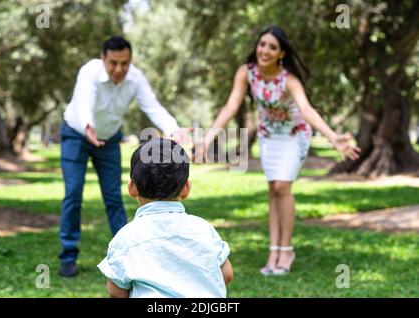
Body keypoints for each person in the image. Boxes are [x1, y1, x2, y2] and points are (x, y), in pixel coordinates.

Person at [195, 26, 359, 276]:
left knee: (282, 187)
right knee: (273, 189)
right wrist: (208, 138)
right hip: (269, 137)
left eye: (272, 47)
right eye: (262, 45)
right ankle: (274, 252)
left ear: (281, 53)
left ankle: (286, 249)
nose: (265, 50)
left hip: (294, 137)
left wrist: (333, 137)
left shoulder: (288, 79)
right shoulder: (246, 73)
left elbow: (307, 109)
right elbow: (231, 105)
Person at [59, 36, 191, 277]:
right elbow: (84, 102)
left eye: (125, 63)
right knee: (73, 193)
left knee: (114, 196)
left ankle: (128, 254)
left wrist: (174, 129)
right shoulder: (89, 71)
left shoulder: (135, 77)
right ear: (103, 59)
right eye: (113, 63)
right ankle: (68, 255)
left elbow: (152, 105)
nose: (119, 69)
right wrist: (89, 124)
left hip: (108, 139)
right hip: (77, 134)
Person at [97, 138, 233, 297]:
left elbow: (116, 291)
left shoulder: (125, 237)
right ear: (186, 189)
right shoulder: (203, 229)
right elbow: (227, 274)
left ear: (132, 188)